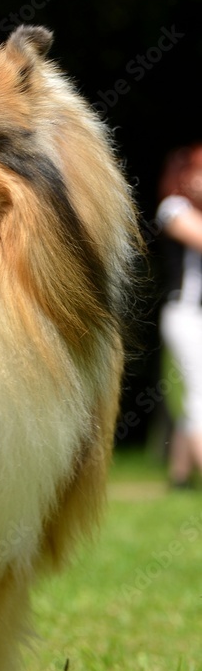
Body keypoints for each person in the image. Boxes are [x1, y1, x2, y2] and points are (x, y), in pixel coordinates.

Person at [156, 144, 202, 487]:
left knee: (191, 392)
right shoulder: (173, 208)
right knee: (199, 393)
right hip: (185, 314)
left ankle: (180, 476)